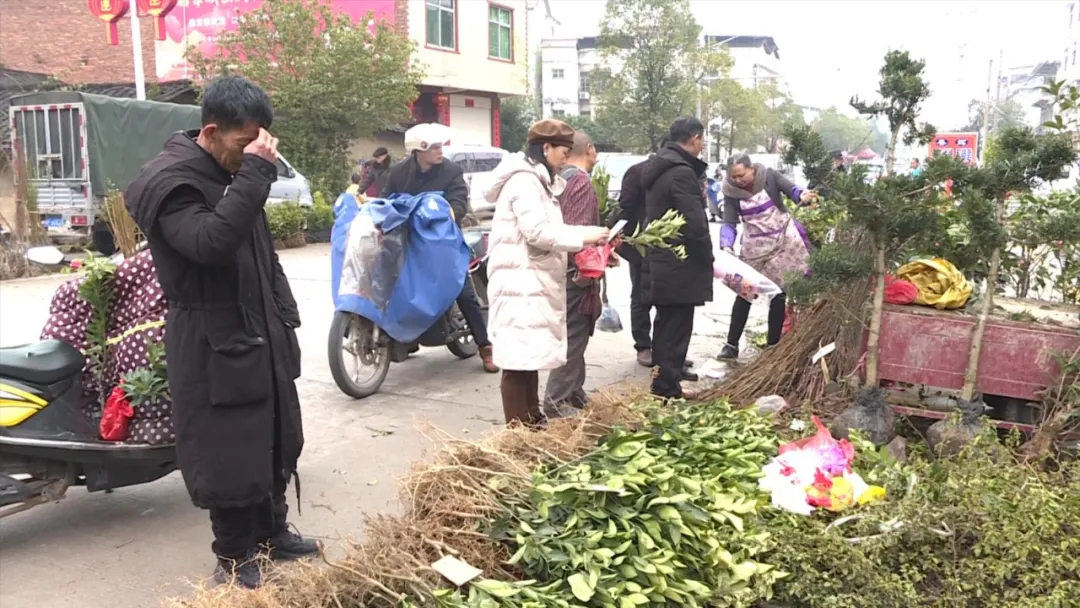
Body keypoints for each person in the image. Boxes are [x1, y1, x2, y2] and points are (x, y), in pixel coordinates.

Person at [123, 75, 316, 589]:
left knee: (272, 432)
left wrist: (282, 309)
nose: (252, 152)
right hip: (211, 334)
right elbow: (209, 243)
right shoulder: (169, 182)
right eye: (242, 142)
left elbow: (256, 246)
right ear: (211, 130)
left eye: (259, 142)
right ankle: (233, 556)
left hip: (259, 325)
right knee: (230, 448)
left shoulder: (232, 166)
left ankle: (274, 533)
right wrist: (255, 174)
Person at [484, 119, 610, 425]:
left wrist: (590, 243)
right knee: (517, 361)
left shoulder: (538, 180)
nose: (566, 157)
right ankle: (519, 429)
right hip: (520, 282)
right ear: (545, 148)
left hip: (530, 280)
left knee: (528, 359)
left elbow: (549, 232)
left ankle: (532, 420)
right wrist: (586, 237)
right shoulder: (523, 182)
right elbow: (539, 232)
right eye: (562, 151)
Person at [379, 124, 497, 373]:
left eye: (440, 146)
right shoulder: (398, 172)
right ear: (418, 150)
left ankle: (485, 346)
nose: (439, 151)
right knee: (392, 283)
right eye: (434, 147)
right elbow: (386, 200)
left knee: (463, 291)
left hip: (443, 239)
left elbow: (459, 202)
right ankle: (406, 336)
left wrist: (445, 214)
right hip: (409, 240)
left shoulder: (451, 171)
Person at [639, 117, 713, 399]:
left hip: (662, 259)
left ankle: (664, 383)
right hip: (679, 262)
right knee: (676, 327)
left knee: (666, 324)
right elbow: (694, 224)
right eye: (701, 140)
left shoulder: (660, 166)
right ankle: (667, 388)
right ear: (694, 139)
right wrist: (707, 257)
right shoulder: (681, 173)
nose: (701, 145)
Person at [717, 154, 816, 360]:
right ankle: (731, 345)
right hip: (755, 248)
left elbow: (792, 190)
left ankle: (773, 347)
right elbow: (729, 221)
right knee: (745, 293)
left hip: (783, 244)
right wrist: (726, 245)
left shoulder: (769, 176)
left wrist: (802, 196)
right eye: (733, 177)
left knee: (779, 294)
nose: (737, 180)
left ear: (752, 169)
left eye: (741, 175)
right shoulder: (730, 192)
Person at [543, 130, 606, 417]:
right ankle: (557, 402)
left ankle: (574, 391)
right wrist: (588, 269)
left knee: (573, 333)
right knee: (574, 334)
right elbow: (579, 232)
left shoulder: (559, 179)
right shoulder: (579, 182)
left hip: (557, 269)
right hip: (575, 273)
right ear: (589, 150)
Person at [613, 157, 653, 367]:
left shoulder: (683, 171)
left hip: (668, 246)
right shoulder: (637, 172)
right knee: (640, 294)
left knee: (670, 300)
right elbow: (625, 208)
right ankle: (643, 345)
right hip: (639, 244)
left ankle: (668, 349)